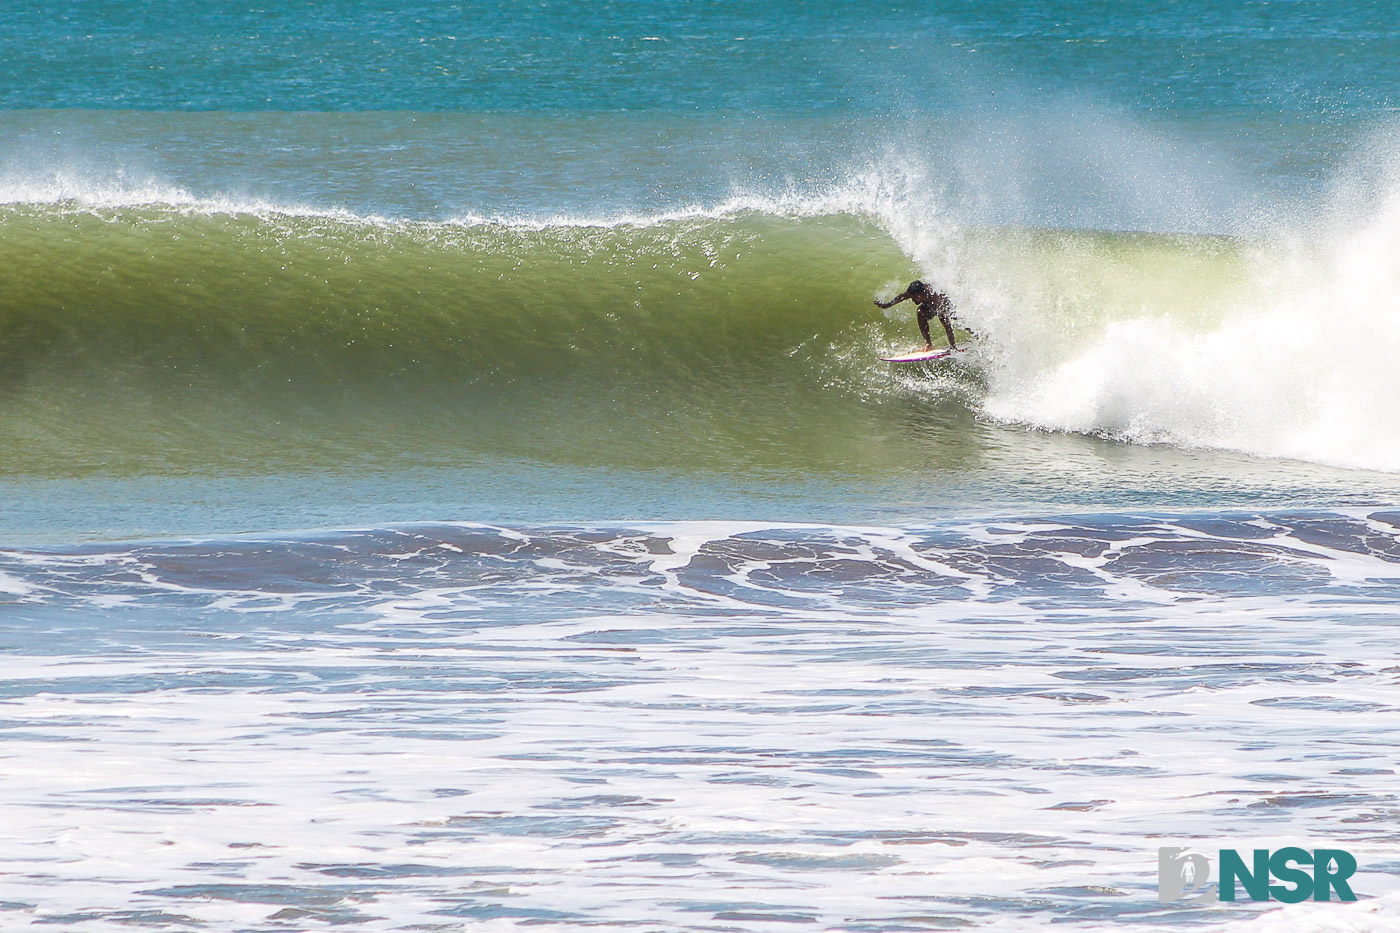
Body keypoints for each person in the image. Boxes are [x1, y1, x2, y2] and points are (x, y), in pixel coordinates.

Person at [874, 280, 961, 352]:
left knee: (957, 321)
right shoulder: (914, 291)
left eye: (913, 297)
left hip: (946, 305)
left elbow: (947, 326)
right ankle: (928, 344)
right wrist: (887, 305)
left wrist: (953, 347)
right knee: (920, 312)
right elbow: (901, 297)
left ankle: (970, 335)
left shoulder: (935, 296)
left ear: (920, 294)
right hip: (930, 306)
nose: (912, 300)